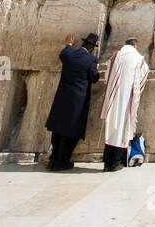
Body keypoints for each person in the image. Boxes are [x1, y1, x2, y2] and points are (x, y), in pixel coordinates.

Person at [45, 32, 100, 171]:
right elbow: (94, 78)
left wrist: (69, 44)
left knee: (58, 129)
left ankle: (54, 159)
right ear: (92, 47)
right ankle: (62, 161)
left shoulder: (69, 54)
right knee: (71, 132)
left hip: (62, 97)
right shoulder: (91, 60)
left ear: (82, 44)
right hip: (78, 101)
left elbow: (63, 53)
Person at [100, 37, 148, 172]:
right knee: (122, 129)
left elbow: (107, 75)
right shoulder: (138, 58)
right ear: (135, 45)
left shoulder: (116, 55)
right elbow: (144, 73)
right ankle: (115, 162)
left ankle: (107, 161)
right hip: (127, 98)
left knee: (111, 127)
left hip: (113, 97)